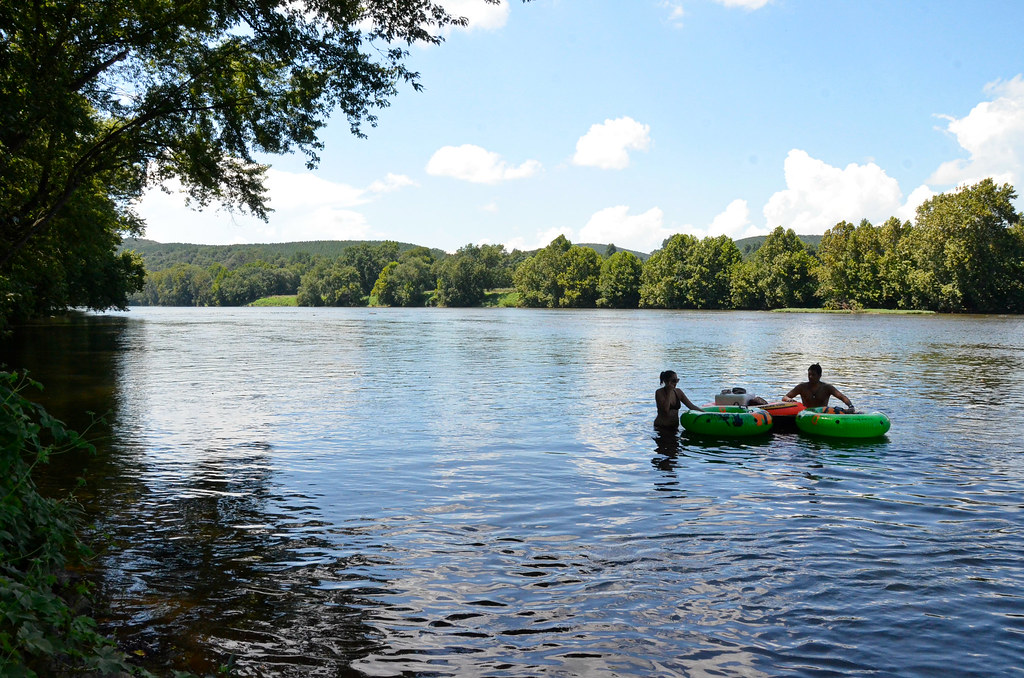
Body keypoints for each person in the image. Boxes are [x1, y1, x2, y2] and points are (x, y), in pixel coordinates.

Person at [781, 363, 854, 411]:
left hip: (822, 415)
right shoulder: (802, 387)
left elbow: (842, 397)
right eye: (809, 374)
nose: (810, 377)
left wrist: (850, 406)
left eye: (813, 375)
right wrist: (789, 400)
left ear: (819, 376)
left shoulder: (827, 388)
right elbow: (785, 397)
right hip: (806, 415)